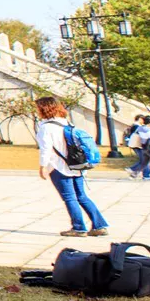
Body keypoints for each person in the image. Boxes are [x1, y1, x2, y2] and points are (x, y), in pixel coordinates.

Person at [36, 95, 108, 237]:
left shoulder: (46, 127)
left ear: (44, 109)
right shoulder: (67, 123)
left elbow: (46, 149)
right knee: (82, 196)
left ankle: (78, 227)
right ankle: (99, 225)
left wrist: (42, 166)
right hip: (76, 166)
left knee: (69, 197)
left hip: (58, 167)